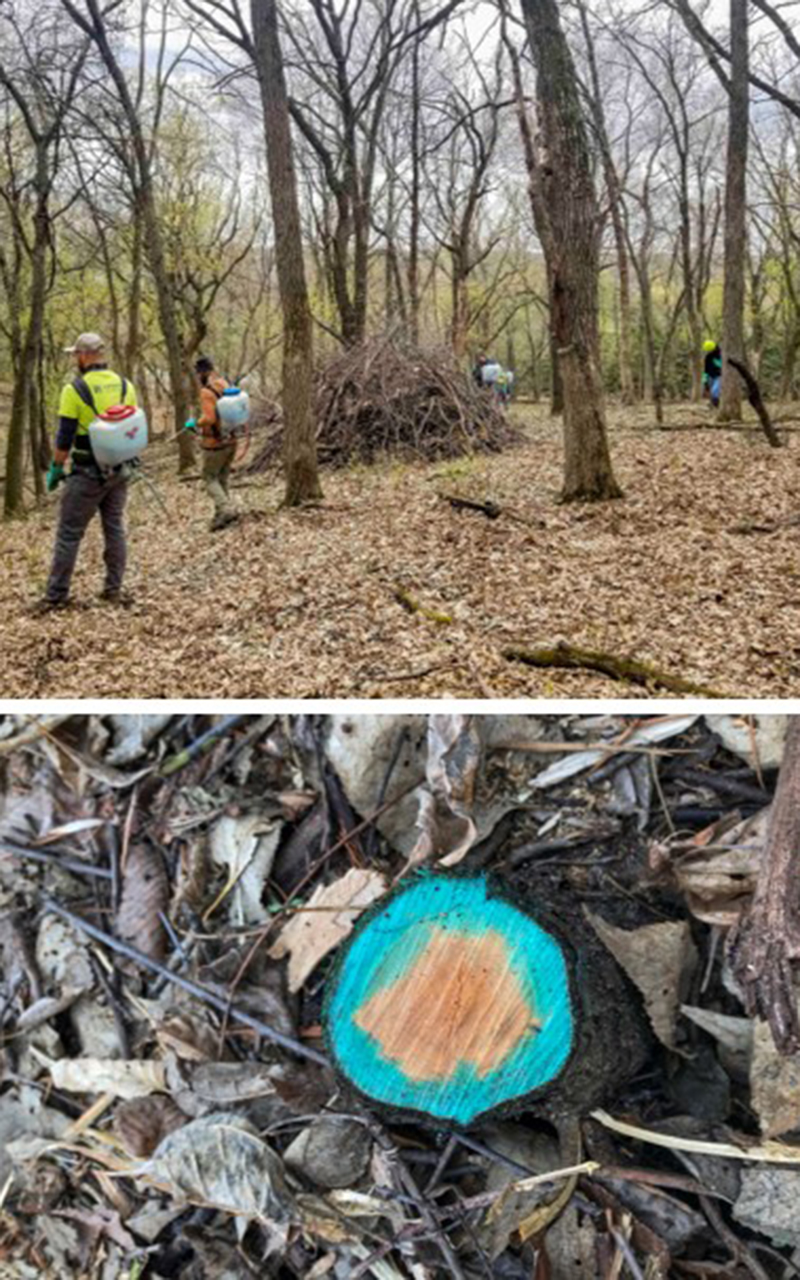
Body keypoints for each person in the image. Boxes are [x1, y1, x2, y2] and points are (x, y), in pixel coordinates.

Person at [33, 332, 138, 614]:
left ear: (82, 356)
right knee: (114, 528)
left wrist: (56, 468)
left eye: (74, 354)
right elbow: (131, 426)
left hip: (86, 473)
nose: (73, 359)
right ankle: (113, 589)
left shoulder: (74, 390)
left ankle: (56, 596)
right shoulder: (125, 385)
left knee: (69, 533)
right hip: (120, 470)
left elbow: (64, 438)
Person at [188, 355, 240, 531]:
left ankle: (226, 509)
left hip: (215, 443)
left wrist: (195, 422)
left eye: (198, 373)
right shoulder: (226, 384)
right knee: (222, 478)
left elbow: (209, 418)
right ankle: (222, 515)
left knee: (209, 478)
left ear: (202, 372)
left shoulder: (206, 392)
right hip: (232, 440)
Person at [703, 339, 722, 408]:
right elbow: (705, 369)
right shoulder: (708, 357)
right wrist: (704, 380)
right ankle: (713, 404)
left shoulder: (721, 355)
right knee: (711, 391)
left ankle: (716, 404)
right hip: (710, 376)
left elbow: (721, 365)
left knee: (715, 390)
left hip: (719, 375)